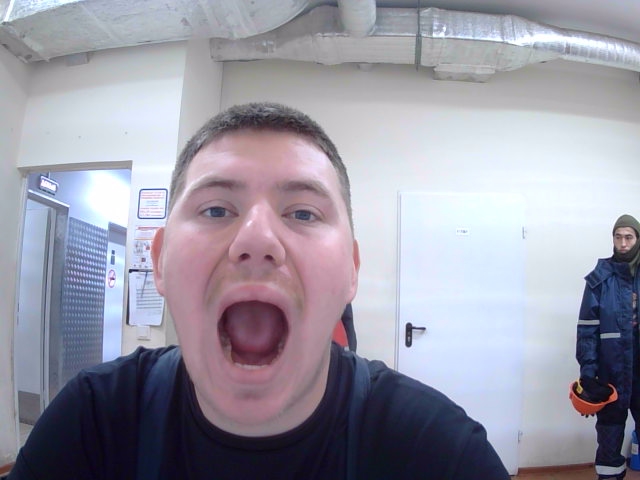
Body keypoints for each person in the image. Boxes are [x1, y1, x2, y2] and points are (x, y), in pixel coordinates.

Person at [9, 102, 509, 479]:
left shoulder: (438, 452)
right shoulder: (93, 421)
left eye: (303, 213)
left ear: (351, 272)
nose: (257, 240)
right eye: (215, 209)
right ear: (159, 260)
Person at [577, 214, 640, 480]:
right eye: (618, 237)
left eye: (629, 237)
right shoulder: (599, 279)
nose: (623, 243)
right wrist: (588, 374)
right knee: (609, 438)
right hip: (610, 375)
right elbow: (587, 330)